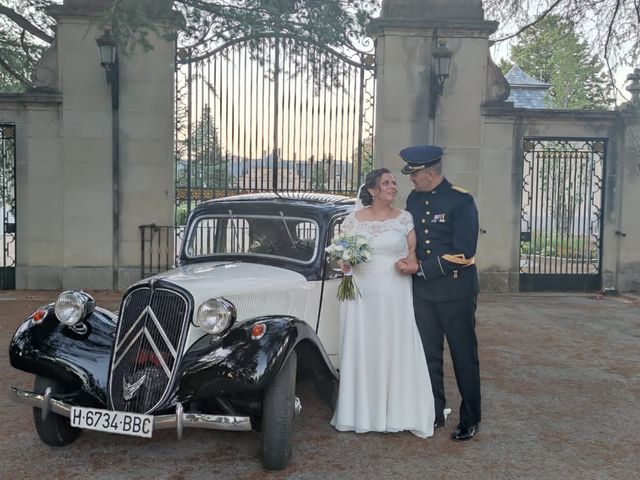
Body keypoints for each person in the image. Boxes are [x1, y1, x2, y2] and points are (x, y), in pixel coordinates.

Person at [330, 168, 435, 438]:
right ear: (373, 190)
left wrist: (409, 265)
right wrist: (344, 262)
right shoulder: (353, 221)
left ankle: (398, 411)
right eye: (386, 183)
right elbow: (341, 258)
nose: (392, 187)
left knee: (394, 345)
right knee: (364, 346)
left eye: (394, 183)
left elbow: (413, 255)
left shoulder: (404, 219)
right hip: (361, 294)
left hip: (394, 292)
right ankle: (362, 413)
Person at [396, 145, 481, 441]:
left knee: (463, 356)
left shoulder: (461, 200)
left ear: (429, 174)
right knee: (429, 355)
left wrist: (422, 268)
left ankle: (470, 418)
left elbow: (465, 252)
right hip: (423, 293)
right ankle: (433, 412)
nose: (410, 180)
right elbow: (410, 240)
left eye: (414, 175)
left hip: (456, 289)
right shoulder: (414, 200)